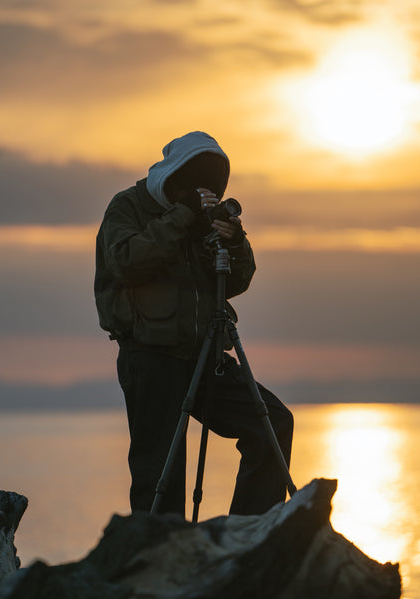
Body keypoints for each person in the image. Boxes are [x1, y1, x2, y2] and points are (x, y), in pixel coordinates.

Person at [94, 131, 293, 517]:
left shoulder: (206, 216)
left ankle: (245, 540)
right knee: (161, 476)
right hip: (151, 356)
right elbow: (126, 262)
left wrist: (233, 241)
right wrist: (182, 216)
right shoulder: (129, 207)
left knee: (272, 426)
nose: (202, 194)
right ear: (172, 176)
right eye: (192, 183)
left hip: (205, 355)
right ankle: (158, 562)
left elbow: (237, 281)